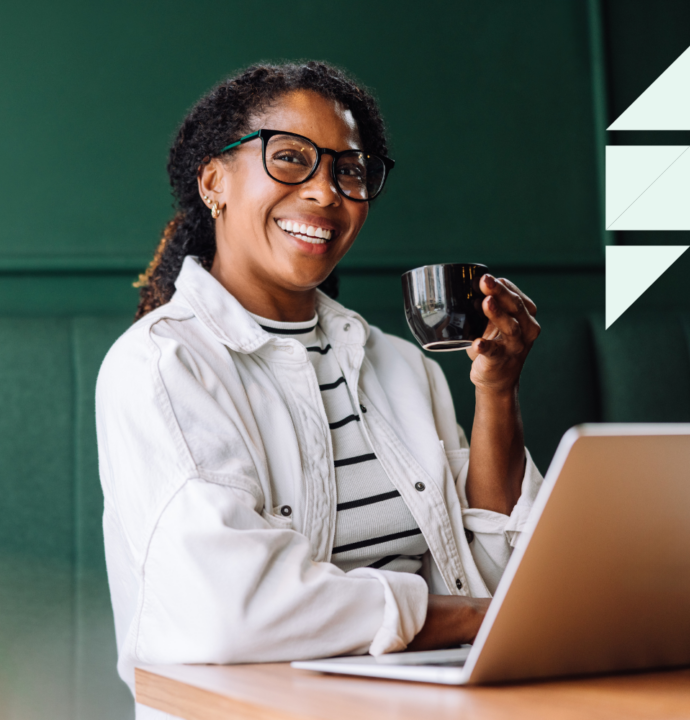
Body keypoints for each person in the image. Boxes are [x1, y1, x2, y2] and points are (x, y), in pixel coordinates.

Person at [96, 61, 543, 719]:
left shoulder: (397, 366)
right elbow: (238, 611)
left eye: (349, 170)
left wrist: (497, 392)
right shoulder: (163, 367)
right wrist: (479, 620)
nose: (325, 192)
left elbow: (492, 574)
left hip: (426, 702)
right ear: (214, 181)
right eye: (291, 159)